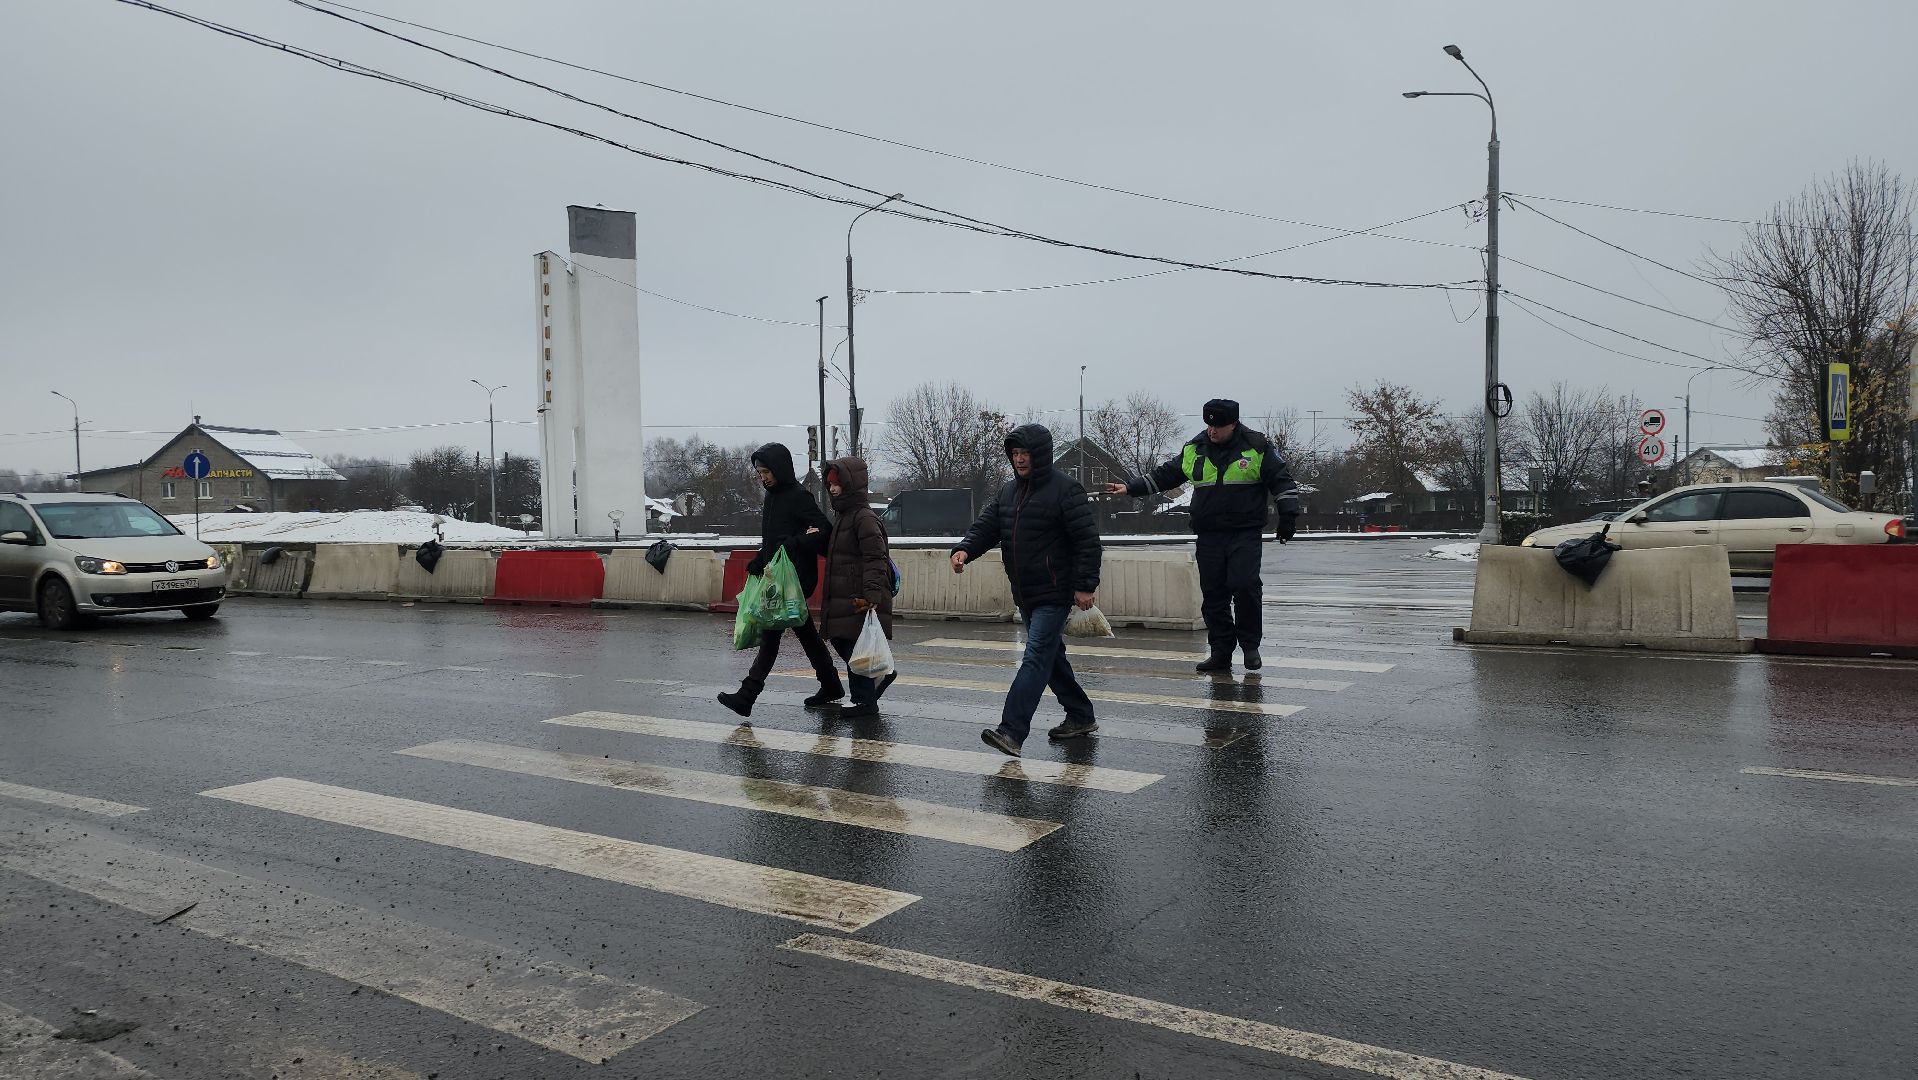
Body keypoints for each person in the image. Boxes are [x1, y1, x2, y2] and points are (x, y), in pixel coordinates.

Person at [1105, 398, 1298, 673]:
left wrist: (1288, 515)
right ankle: (1221, 651)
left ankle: (1250, 646)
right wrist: (1129, 488)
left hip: (1244, 532)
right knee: (1214, 594)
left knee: (1244, 585)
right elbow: (1166, 475)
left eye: (1218, 426)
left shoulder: (1257, 447)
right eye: (1208, 425)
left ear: (1233, 423)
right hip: (1209, 533)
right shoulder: (1195, 449)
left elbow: (1281, 479)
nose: (1212, 431)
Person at [951, 424, 1102, 758]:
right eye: (1015, 454)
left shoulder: (1066, 490)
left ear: (1041, 455)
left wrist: (1085, 585)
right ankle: (1080, 714)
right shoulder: (1008, 493)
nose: (1019, 460)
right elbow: (987, 527)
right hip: (1026, 594)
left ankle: (1012, 731)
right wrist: (964, 550)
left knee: (1035, 658)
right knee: (1051, 658)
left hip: (1054, 592)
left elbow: (1087, 541)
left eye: (1025, 453)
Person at [718, 443, 839, 718]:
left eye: (766, 471)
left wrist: (796, 543)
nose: (763, 477)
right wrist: (761, 558)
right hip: (778, 577)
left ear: (780, 469)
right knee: (805, 632)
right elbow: (775, 540)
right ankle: (830, 684)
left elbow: (824, 531)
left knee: (771, 632)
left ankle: (747, 696)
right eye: (759, 472)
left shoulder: (799, 496)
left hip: (795, 578)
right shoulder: (772, 498)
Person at [819, 456, 896, 718]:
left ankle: (864, 700)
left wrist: (872, 593)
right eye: (829, 484)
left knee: (852, 644)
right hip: (846, 595)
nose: (832, 488)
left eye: (836, 483)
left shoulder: (863, 518)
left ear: (851, 484)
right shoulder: (845, 516)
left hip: (859, 596)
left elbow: (876, 557)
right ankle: (877, 676)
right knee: (844, 641)